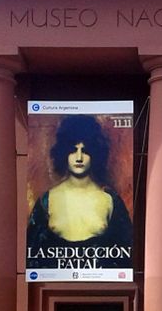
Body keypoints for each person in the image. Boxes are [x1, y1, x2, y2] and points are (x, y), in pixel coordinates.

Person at [26, 114, 132, 269]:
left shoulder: (110, 202)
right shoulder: (46, 201)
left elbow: (125, 257)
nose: (79, 157)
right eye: (73, 150)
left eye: (85, 151)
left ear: (95, 153)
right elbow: (33, 256)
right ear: (63, 153)